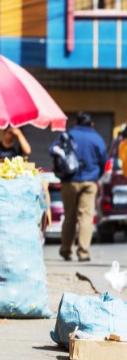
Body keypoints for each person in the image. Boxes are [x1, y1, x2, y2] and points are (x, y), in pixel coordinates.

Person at [49, 112, 107, 262]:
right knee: (86, 217)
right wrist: (96, 176)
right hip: (89, 181)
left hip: (69, 181)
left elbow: (52, 150)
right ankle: (83, 252)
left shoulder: (68, 135)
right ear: (92, 124)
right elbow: (103, 162)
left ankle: (66, 251)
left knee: (69, 216)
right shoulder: (97, 139)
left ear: (76, 122)